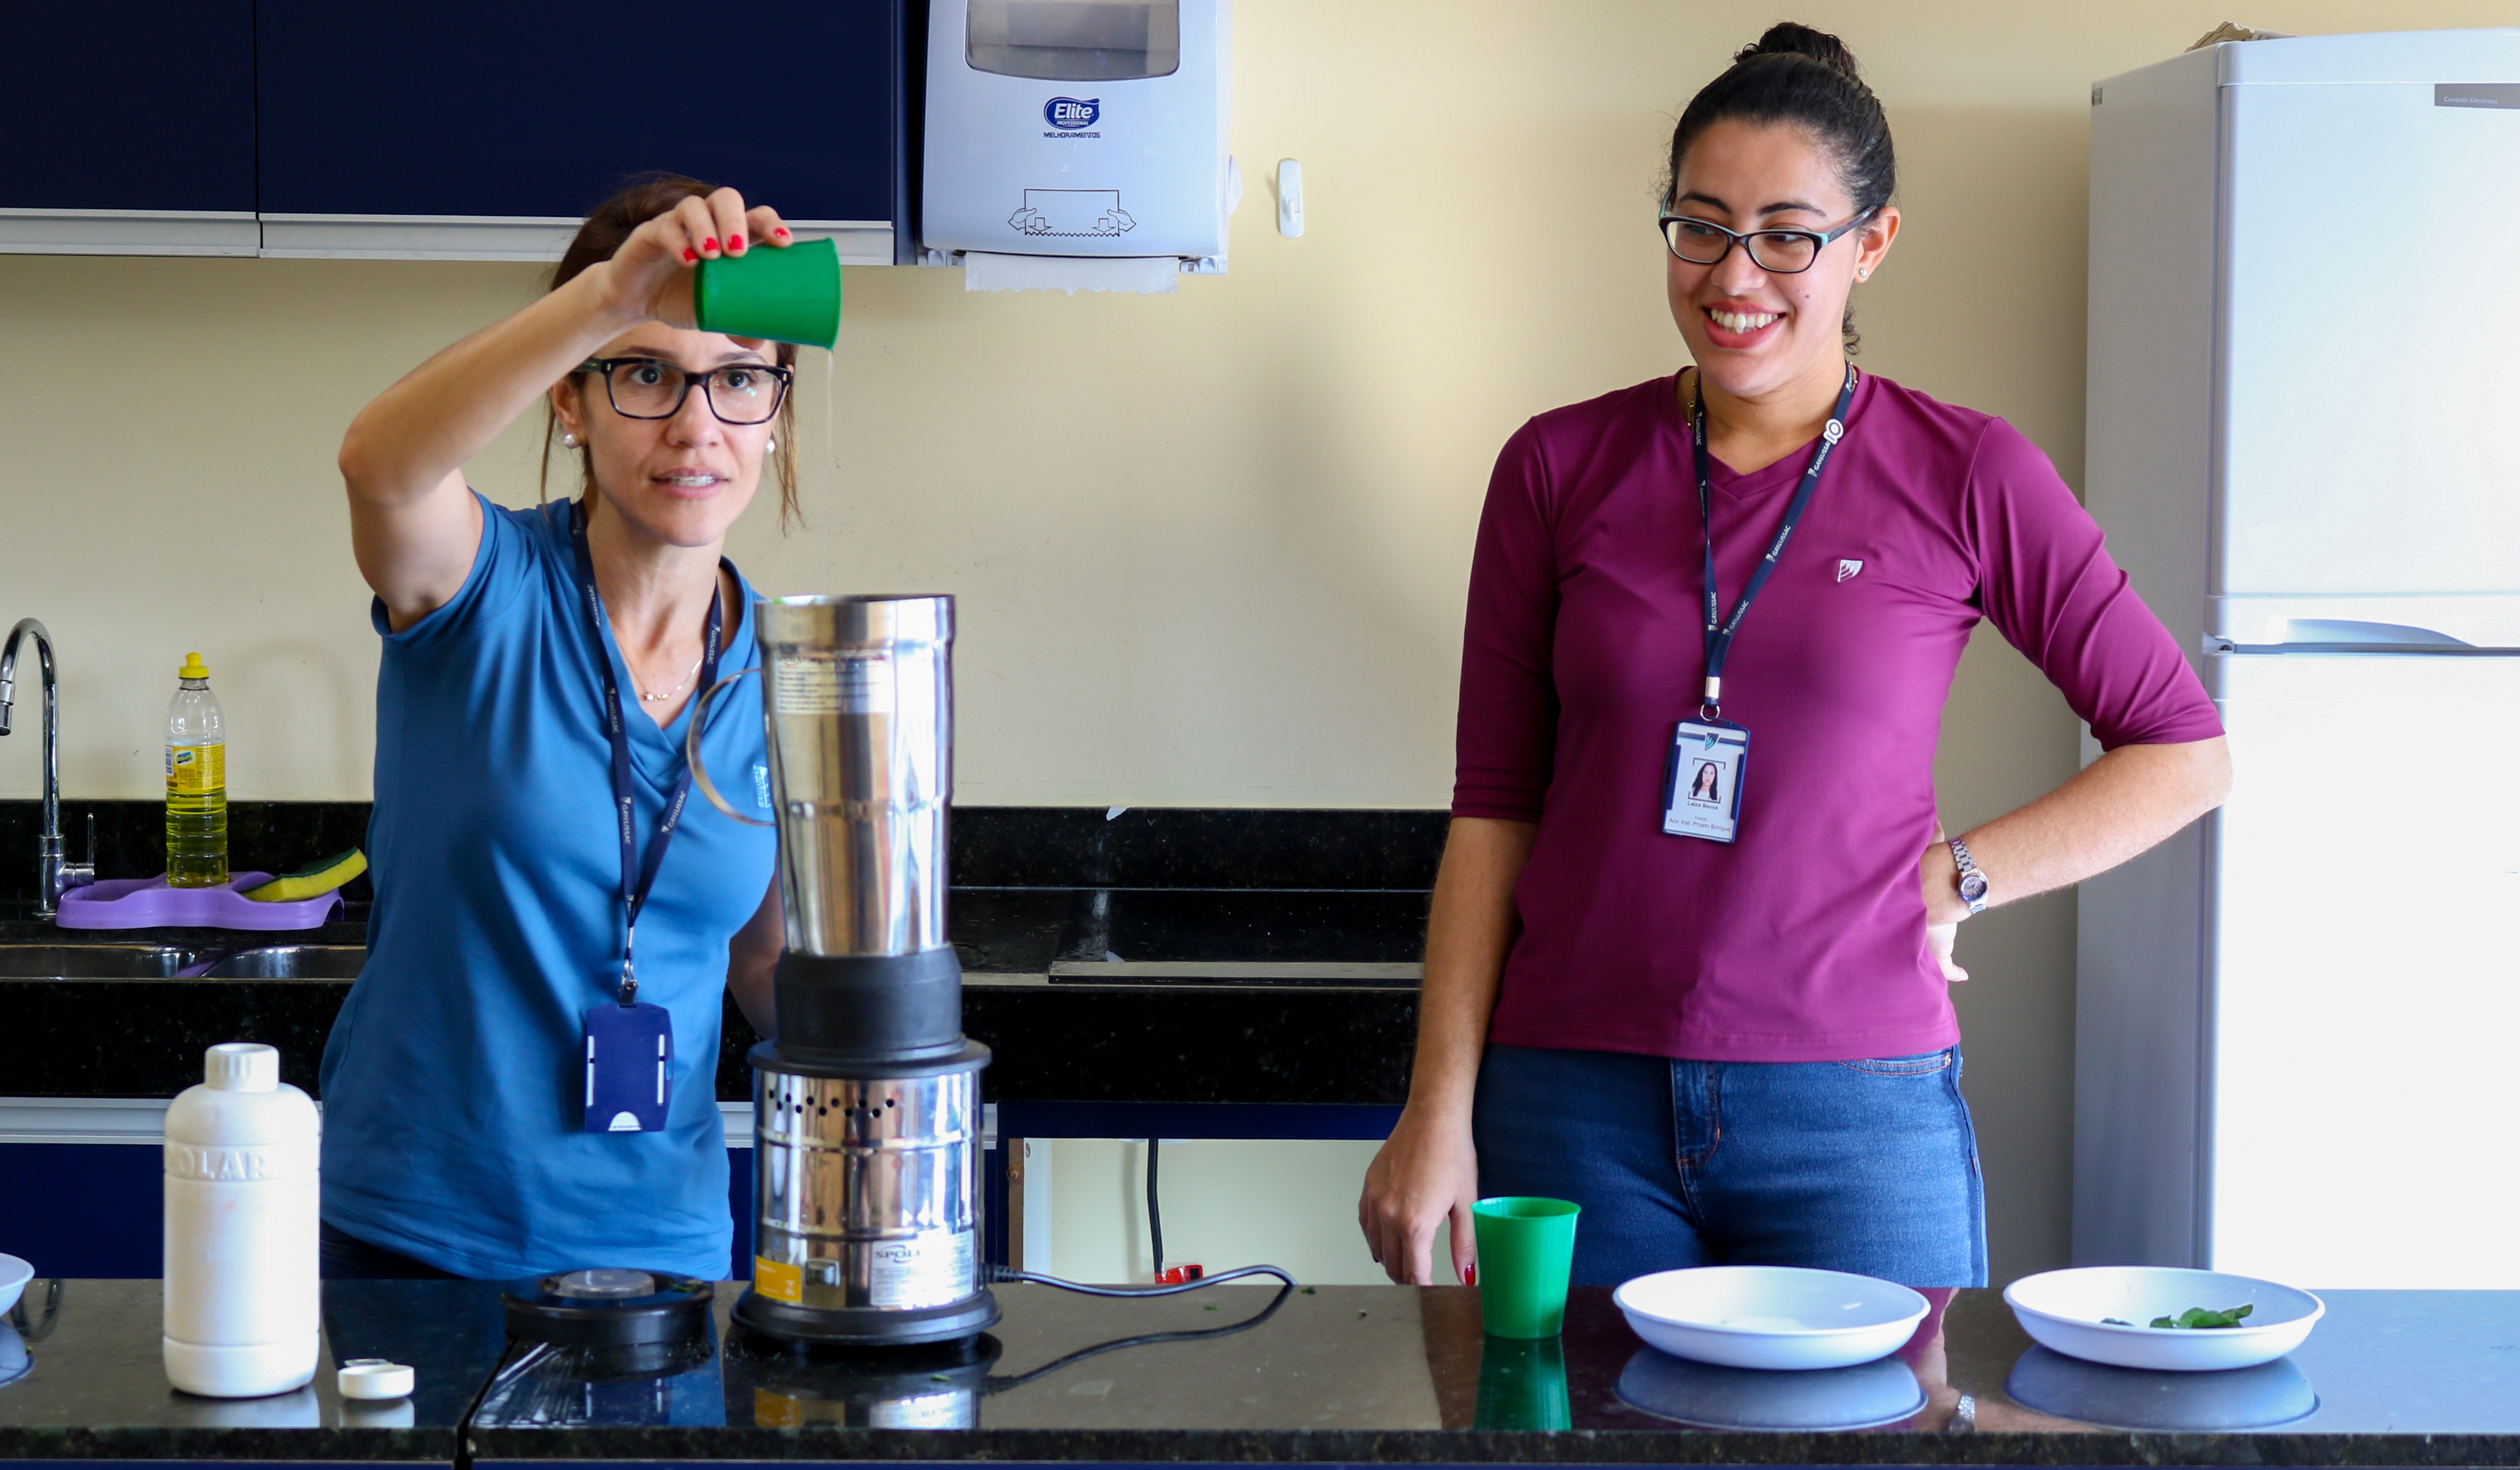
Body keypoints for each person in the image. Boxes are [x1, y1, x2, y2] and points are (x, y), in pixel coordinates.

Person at [1357, 24, 2231, 1290]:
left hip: (1856, 1117)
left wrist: (1952, 880)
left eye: (1786, 235)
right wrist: (1434, 1107)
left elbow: (2183, 752)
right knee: (1567, 1412)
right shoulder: (1554, 467)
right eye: (1700, 226)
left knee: (1883, 1406)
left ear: (1871, 244)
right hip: (1571, 1102)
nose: (1734, 275)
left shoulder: (1965, 471)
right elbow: (1493, 812)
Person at [318, 176, 805, 1279]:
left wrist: (895, 1094)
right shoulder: (480, 589)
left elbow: (766, 959)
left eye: (738, 378)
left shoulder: (789, 672)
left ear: (774, 413)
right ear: (571, 403)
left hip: (663, 1253)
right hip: (413, 1240)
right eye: (646, 373)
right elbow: (379, 466)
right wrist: (609, 296)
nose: (697, 426)